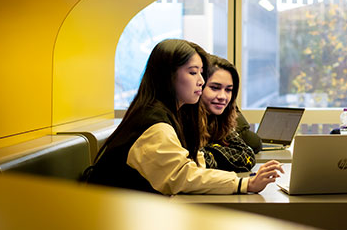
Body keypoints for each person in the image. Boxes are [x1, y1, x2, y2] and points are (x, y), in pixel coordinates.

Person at [85, 39, 282, 195]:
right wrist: (245, 184)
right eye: (193, 72)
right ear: (168, 76)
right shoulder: (155, 123)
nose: (201, 81)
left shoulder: (167, 113)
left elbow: (193, 162)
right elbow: (181, 176)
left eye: (202, 73)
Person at [199, 55, 261, 171]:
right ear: (198, 87)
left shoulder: (218, 120)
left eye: (228, 90)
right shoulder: (184, 122)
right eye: (214, 88)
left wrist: (210, 152)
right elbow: (196, 161)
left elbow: (247, 155)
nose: (223, 97)